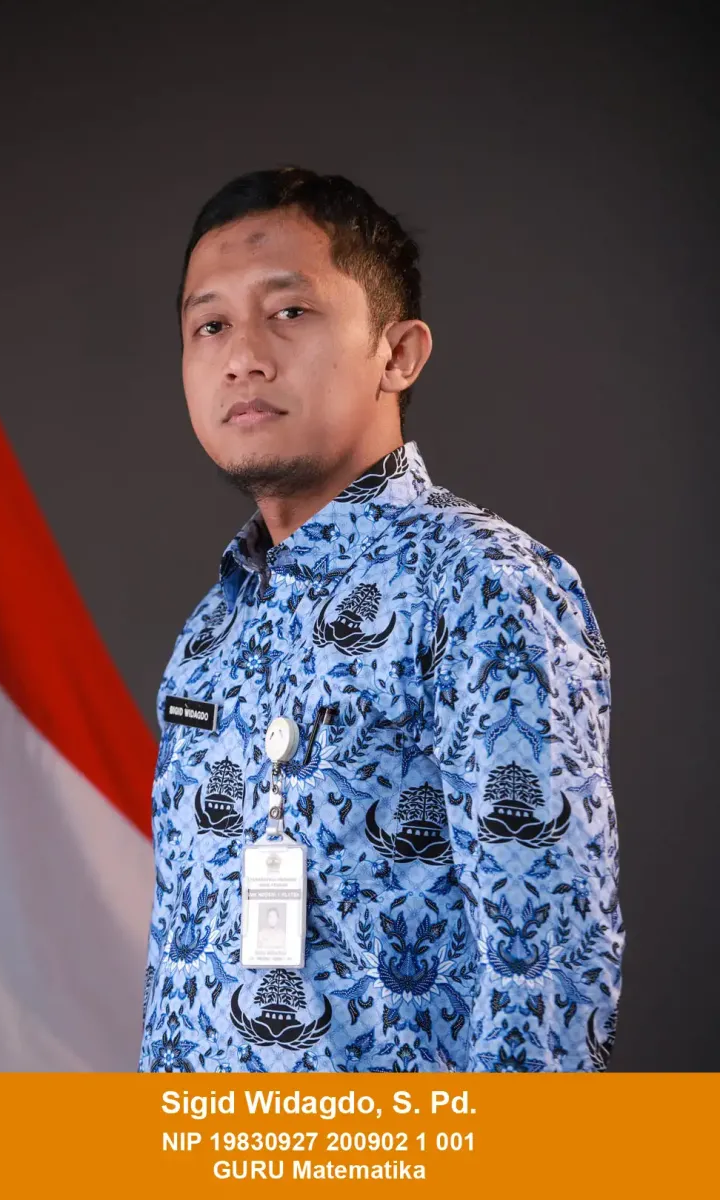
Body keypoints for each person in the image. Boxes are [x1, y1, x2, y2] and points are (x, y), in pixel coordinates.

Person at [138, 166, 623, 1074]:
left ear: (397, 354)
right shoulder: (213, 625)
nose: (243, 356)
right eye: (211, 325)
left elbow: (549, 968)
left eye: (289, 311)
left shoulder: (484, 585)